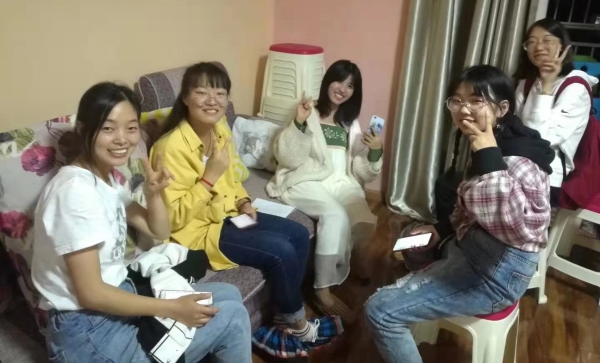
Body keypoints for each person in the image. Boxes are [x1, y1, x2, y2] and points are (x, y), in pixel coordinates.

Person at [31, 82, 252, 363]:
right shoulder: (75, 193)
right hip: (87, 329)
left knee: (228, 294)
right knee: (231, 317)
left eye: (131, 127)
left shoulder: (108, 180)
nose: (122, 139)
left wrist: (153, 194)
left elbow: (159, 230)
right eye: (108, 128)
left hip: (116, 299)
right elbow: (90, 294)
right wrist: (171, 308)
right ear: (84, 129)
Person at [150, 62, 341, 358]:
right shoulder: (169, 147)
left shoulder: (219, 130)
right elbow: (173, 218)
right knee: (280, 250)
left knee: (298, 233)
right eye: (202, 92)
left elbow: (231, 180)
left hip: (229, 213)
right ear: (185, 98)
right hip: (198, 232)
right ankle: (296, 323)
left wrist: (243, 202)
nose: (212, 100)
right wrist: (208, 178)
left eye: (220, 93)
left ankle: (283, 314)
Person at [365, 66, 554, 363]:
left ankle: (413, 302)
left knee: (379, 311)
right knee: (411, 239)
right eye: (457, 100)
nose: (464, 110)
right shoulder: (491, 141)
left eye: (476, 101)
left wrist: (489, 157)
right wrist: (441, 229)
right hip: (472, 246)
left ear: (502, 108)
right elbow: (470, 208)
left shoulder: (519, 160)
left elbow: (517, 229)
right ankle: (425, 294)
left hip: (497, 273)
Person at [267, 60, 383, 323]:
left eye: (350, 86)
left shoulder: (349, 123)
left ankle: (344, 262)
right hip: (306, 178)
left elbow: (361, 170)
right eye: (339, 81)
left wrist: (375, 151)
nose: (343, 89)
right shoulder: (308, 110)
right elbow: (288, 157)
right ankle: (322, 289)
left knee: (362, 216)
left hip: (339, 180)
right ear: (328, 80)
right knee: (335, 214)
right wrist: (299, 122)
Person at [514, 18, 598, 206]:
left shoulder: (576, 86)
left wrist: (547, 87)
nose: (539, 47)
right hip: (515, 170)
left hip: (547, 178)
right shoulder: (526, 84)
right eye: (531, 42)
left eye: (547, 40)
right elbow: (513, 129)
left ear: (563, 47)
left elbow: (543, 139)